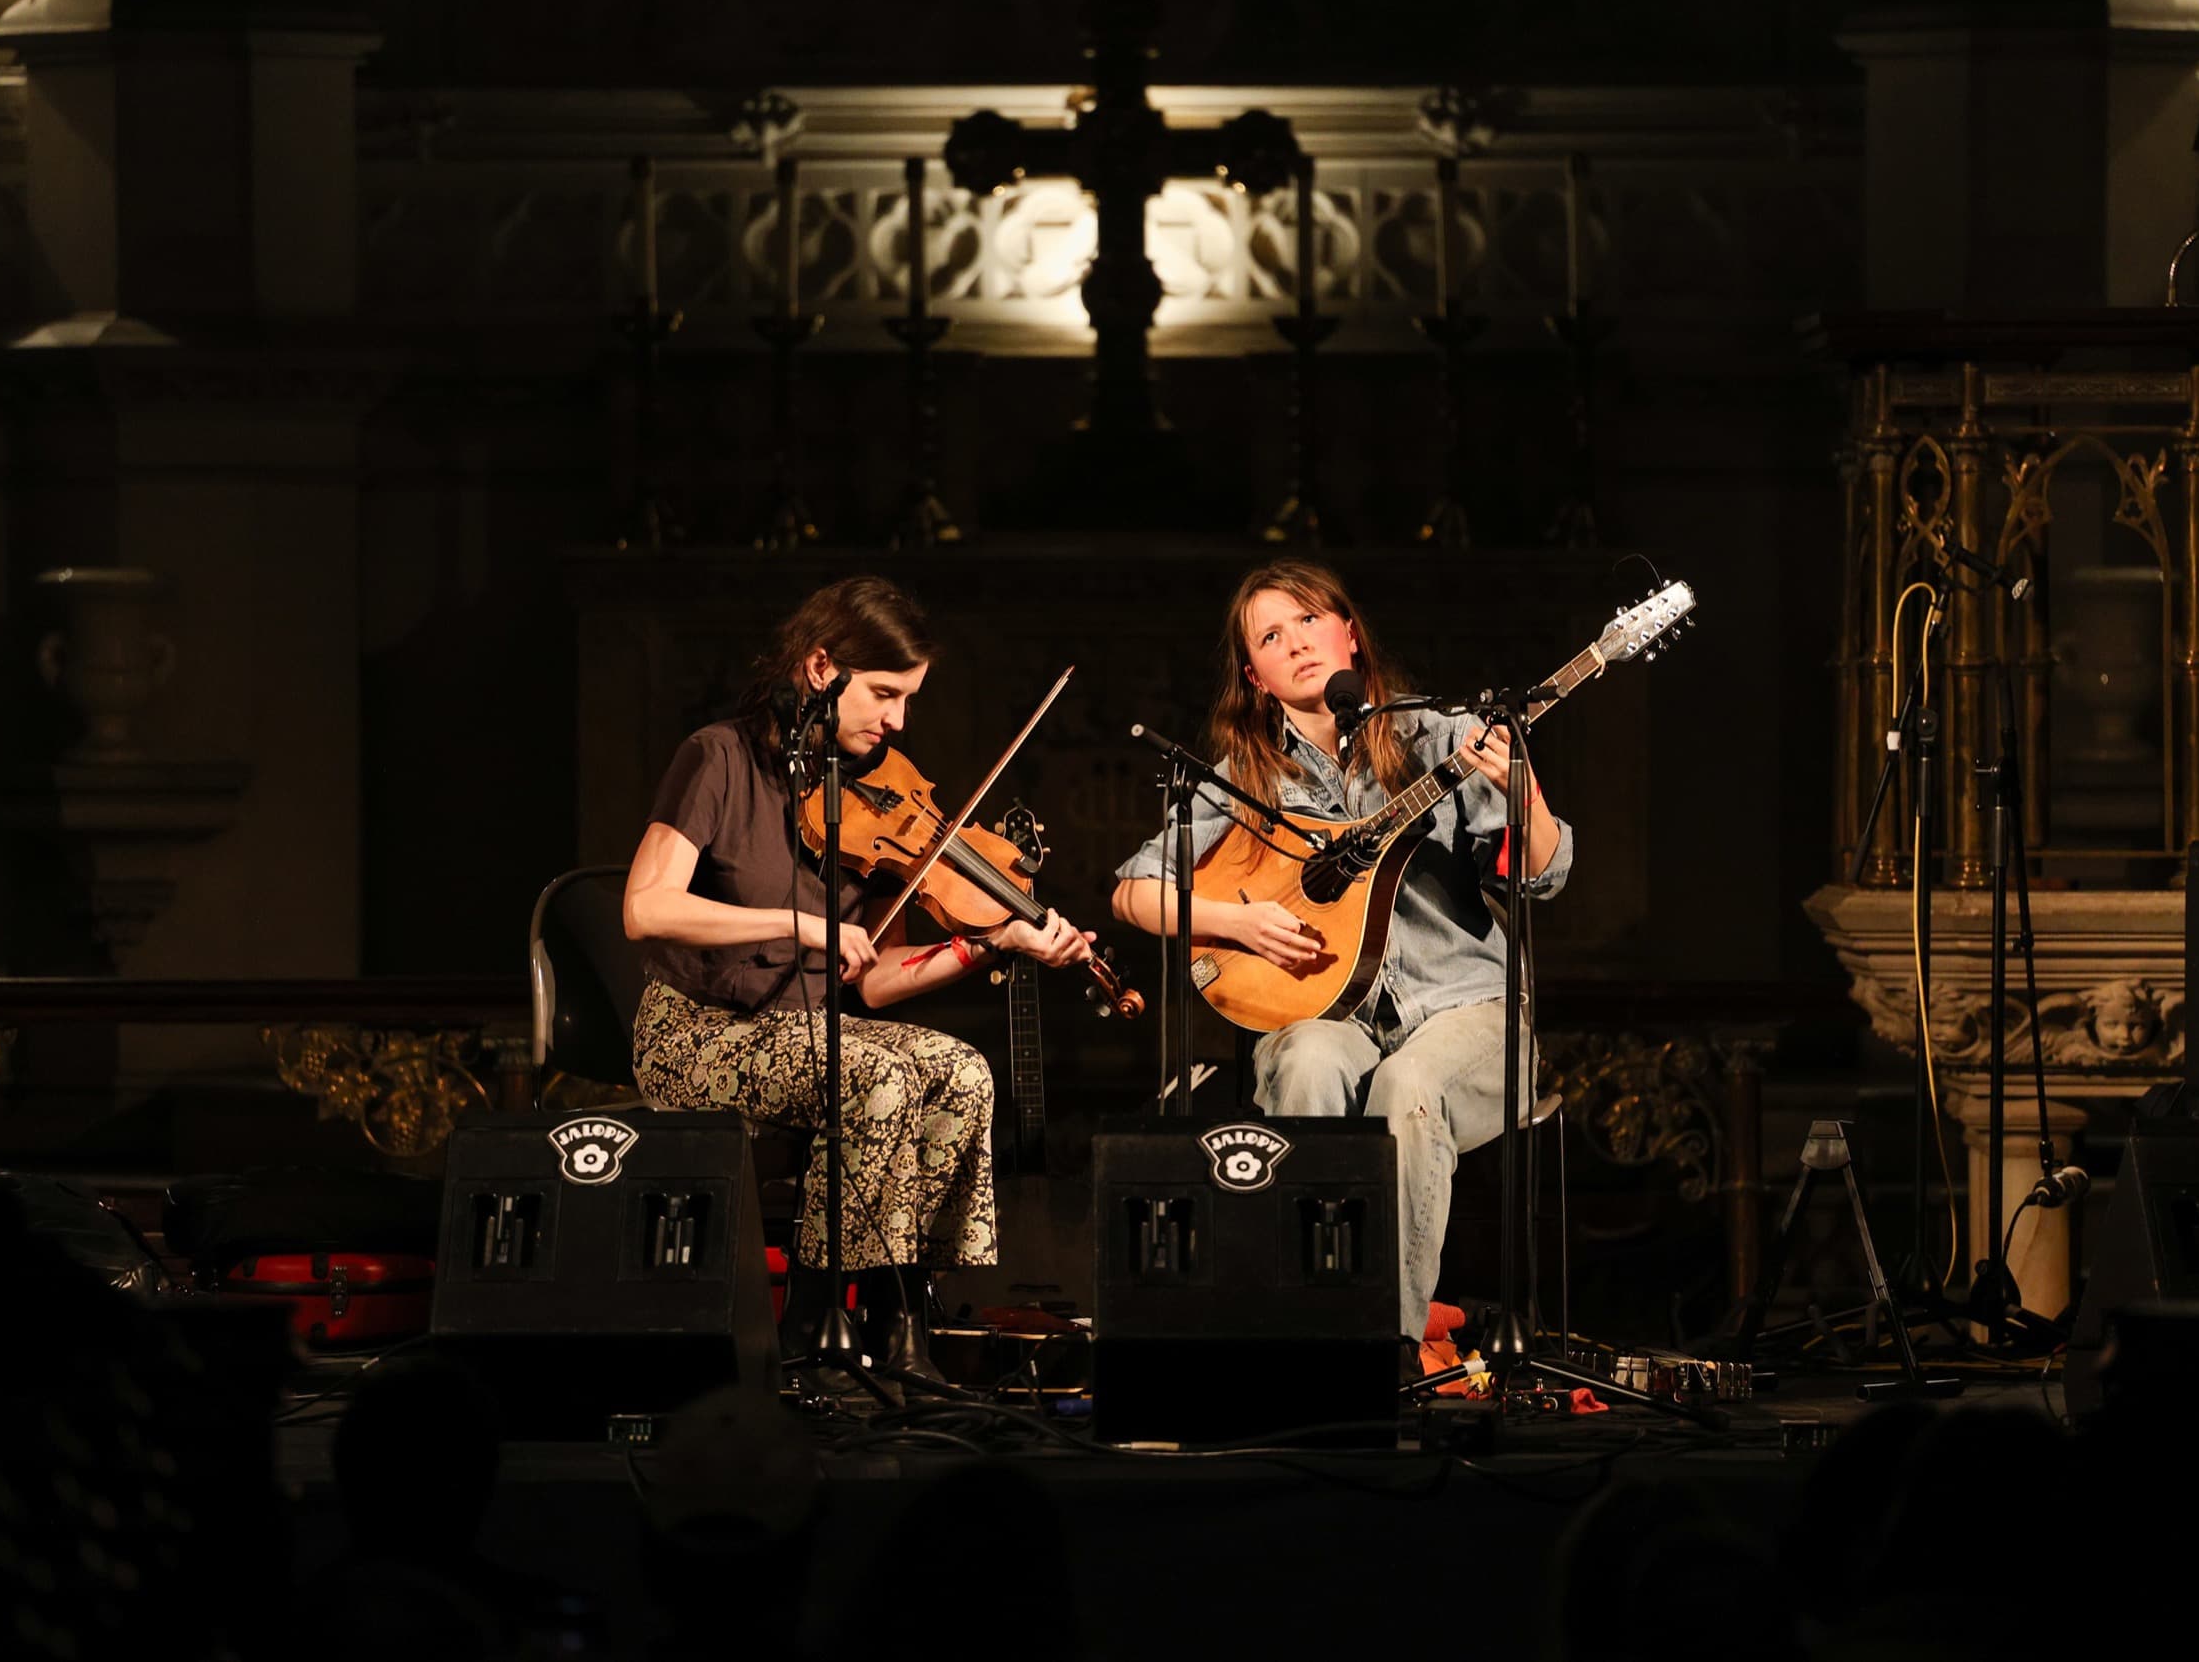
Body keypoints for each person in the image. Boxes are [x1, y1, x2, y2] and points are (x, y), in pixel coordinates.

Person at [625, 576, 1094, 1382]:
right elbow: (646, 908)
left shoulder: (872, 787)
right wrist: (797, 923)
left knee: (959, 1071)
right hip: (697, 1034)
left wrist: (989, 944)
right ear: (819, 667)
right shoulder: (719, 757)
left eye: (908, 698)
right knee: (874, 1075)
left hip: (811, 1029)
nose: (897, 720)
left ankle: (904, 1311)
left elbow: (873, 985)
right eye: (882, 693)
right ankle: (814, 1320)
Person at [1109, 559, 1573, 1367]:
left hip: (1467, 1012)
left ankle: (1380, 1349)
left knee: (1406, 1084)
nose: (1296, 645)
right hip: (1340, 1014)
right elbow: (1133, 891)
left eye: (1309, 620)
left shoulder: (1441, 739)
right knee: (1305, 1060)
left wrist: (1525, 796)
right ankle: (1306, 1334)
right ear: (1253, 676)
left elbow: (1545, 873)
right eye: (1270, 637)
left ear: (1349, 632)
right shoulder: (1247, 779)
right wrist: (1237, 922)